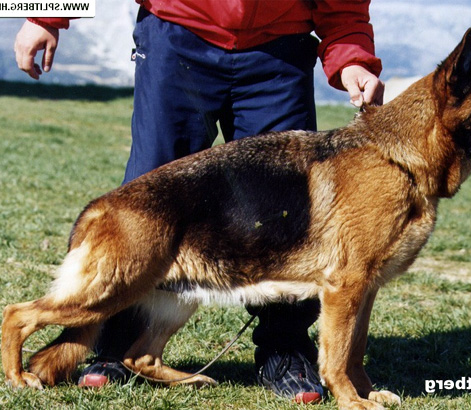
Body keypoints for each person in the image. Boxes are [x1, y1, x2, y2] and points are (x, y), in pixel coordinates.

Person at [14, 1, 384, 404]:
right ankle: (120, 348)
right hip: (178, 33)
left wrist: (352, 57)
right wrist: (43, 16)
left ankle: (285, 351)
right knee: (145, 208)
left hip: (279, 49)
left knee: (287, 216)